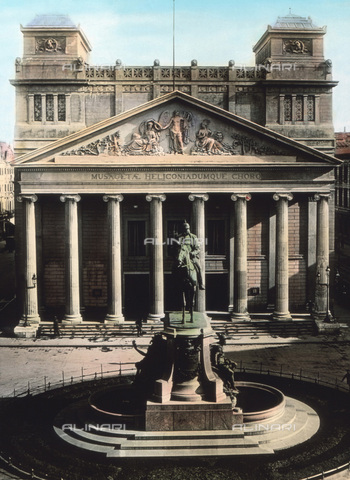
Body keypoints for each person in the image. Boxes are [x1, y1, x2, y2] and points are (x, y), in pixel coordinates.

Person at [177, 221, 205, 290]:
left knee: (199, 268)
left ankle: (201, 284)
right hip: (182, 257)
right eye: (185, 229)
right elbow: (177, 248)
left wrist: (193, 253)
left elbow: (198, 249)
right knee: (175, 268)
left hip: (192, 257)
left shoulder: (193, 237)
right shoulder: (179, 237)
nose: (187, 230)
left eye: (188, 229)